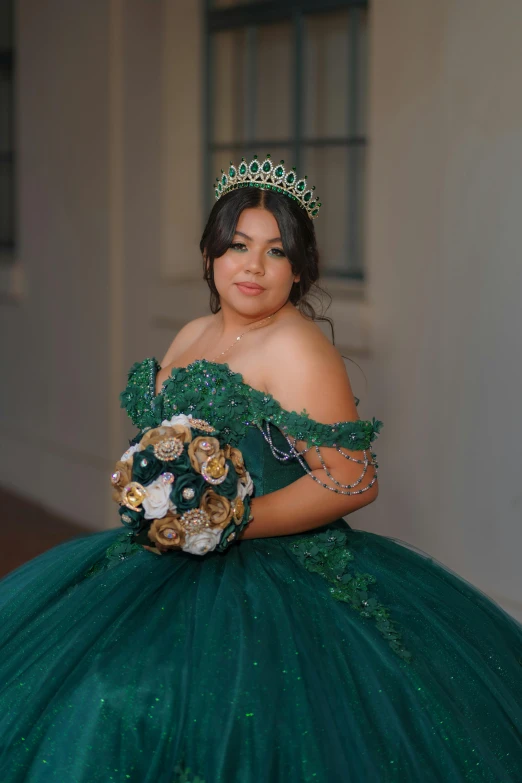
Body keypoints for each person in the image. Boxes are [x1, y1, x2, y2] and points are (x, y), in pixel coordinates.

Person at [0, 154, 521, 782]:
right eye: (238, 245)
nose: (253, 266)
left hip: (274, 571)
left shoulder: (297, 347)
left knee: (183, 706)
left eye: (276, 252)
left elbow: (353, 479)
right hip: (168, 562)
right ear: (209, 254)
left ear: (299, 269)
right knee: (90, 687)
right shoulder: (191, 334)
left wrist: (228, 521)